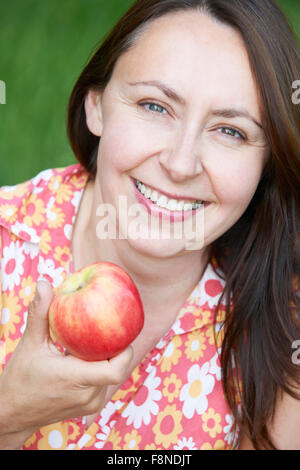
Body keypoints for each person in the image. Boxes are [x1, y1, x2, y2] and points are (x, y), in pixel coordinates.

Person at [0, 0, 299, 451]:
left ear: (266, 161)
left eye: (230, 131)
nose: (180, 164)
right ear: (96, 106)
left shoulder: (283, 319)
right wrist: (10, 411)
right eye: (155, 106)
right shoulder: (8, 242)